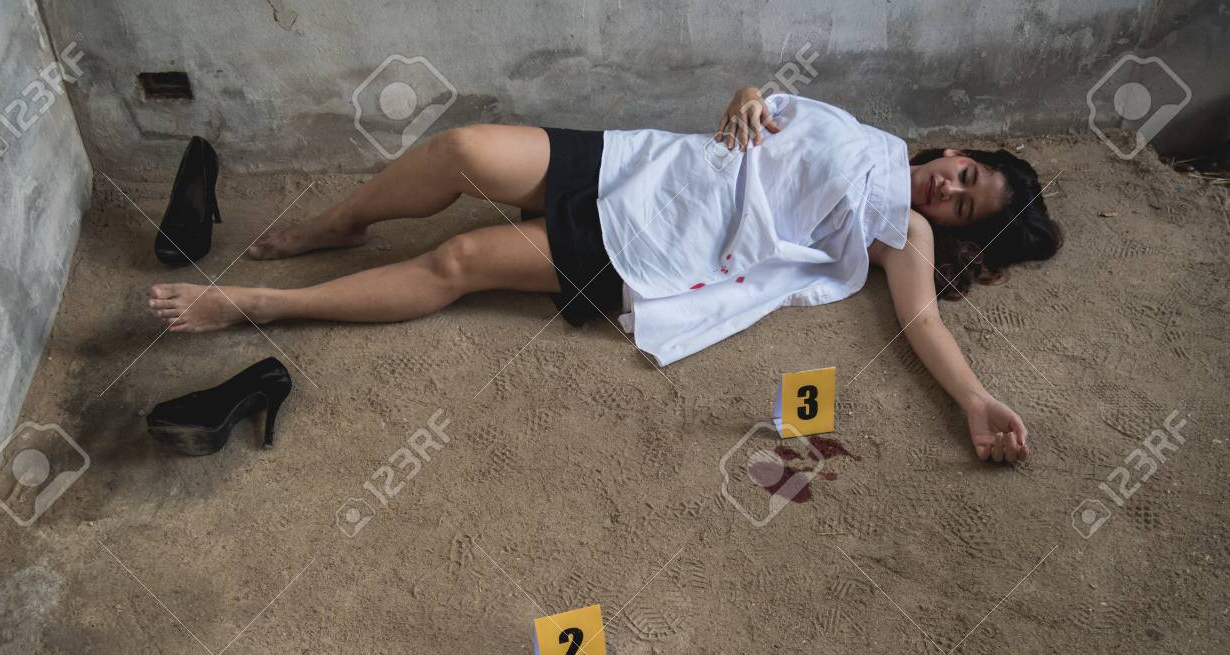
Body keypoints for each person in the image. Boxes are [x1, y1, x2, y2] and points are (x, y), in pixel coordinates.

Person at [146, 86, 1062, 463]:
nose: (949, 190)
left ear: (954, 232)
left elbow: (923, 323)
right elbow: (766, 114)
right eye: (966, 176)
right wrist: (747, 95)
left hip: (656, 249)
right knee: (463, 148)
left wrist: (975, 400)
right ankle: (339, 224)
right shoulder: (867, 134)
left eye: (964, 208)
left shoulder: (901, 226)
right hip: (644, 163)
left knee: (459, 261)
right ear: (960, 152)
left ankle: (260, 305)